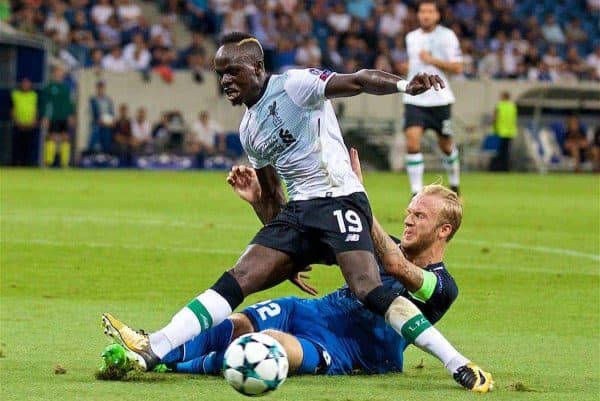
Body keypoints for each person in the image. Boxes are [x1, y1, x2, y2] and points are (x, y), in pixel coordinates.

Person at [102, 32, 491, 392]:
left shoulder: (295, 85)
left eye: (233, 71)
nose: (225, 81)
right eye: (220, 74)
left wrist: (403, 85)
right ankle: (156, 346)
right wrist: (287, 257)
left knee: (366, 287)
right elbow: (274, 196)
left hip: (339, 198)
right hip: (301, 210)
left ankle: (455, 362)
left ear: (257, 67)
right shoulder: (249, 129)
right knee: (240, 276)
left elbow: (357, 80)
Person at [102, 149, 492, 391]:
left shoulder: (441, 286)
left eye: (419, 216)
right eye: (409, 212)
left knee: (268, 346)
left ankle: (175, 364)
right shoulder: (376, 240)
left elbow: (393, 264)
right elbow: (299, 241)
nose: (408, 220)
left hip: (350, 348)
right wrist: (261, 203)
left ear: (444, 231)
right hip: (312, 311)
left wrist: (357, 198)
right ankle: (148, 349)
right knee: (238, 323)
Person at [402, 0, 463, 196]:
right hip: (415, 99)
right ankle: (415, 192)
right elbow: (414, 65)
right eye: (422, 11)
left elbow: (458, 67)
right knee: (412, 142)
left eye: (430, 11)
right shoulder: (411, 37)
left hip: (439, 99)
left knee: (445, 145)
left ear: (437, 15)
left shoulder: (447, 36)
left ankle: (455, 182)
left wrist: (432, 61)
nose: (425, 15)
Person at [41, 66, 74, 167]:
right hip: (53, 117)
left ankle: (65, 164)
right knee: (52, 138)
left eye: (62, 72)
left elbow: (69, 103)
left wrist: (71, 115)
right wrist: (45, 116)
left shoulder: (66, 88)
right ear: (54, 73)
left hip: (64, 117)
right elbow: (45, 103)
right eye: (58, 72)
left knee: (66, 138)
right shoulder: (49, 87)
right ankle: (48, 162)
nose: (60, 74)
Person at [10, 77, 38, 166]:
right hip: (18, 124)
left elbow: (35, 109)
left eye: (27, 83)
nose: (26, 85)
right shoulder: (15, 94)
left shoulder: (34, 95)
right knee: (17, 145)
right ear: (21, 84)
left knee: (29, 146)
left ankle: (28, 163)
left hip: (30, 124)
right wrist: (16, 121)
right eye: (24, 83)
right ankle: (15, 162)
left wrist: (34, 120)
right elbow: (12, 109)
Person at [490, 91, 518, 172]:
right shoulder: (512, 106)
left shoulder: (499, 106)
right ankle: (506, 168)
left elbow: (495, 118)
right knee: (506, 152)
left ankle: (499, 168)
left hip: (501, 131)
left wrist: (494, 128)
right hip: (510, 132)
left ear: (504, 97)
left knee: (500, 152)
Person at [88, 81, 115, 154]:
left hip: (107, 124)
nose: (101, 90)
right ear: (97, 89)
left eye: (102, 88)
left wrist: (111, 121)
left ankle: (106, 155)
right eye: (99, 88)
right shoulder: (93, 100)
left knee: (107, 139)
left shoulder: (108, 100)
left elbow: (111, 113)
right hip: (97, 123)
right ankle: (90, 155)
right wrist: (98, 120)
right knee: (94, 138)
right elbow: (92, 113)